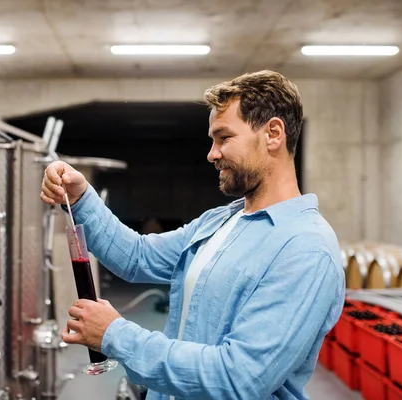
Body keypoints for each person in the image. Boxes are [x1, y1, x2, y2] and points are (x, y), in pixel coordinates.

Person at [40, 70, 345, 400]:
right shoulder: (220, 221)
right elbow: (136, 256)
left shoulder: (305, 249)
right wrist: (82, 197)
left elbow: (239, 378)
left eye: (223, 138)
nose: (211, 154)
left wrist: (116, 335)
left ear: (273, 134)